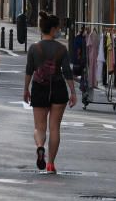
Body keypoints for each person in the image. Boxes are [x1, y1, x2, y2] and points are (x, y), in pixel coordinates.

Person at [23, 14, 77, 173]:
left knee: (39, 127)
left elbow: (29, 71)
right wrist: (73, 92)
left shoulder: (34, 48)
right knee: (54, 128)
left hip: (39, 88)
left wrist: (26, 89)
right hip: (58, 88)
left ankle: (40, 146)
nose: (59, 31)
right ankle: (51, 164)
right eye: (58, 28)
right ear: (53, 29)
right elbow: (67, 72)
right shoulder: (62, 49)